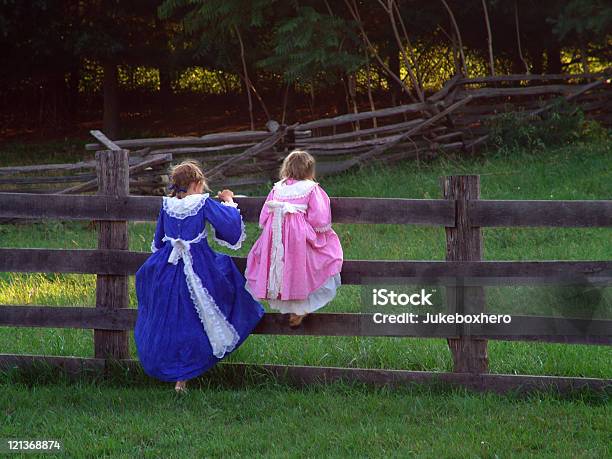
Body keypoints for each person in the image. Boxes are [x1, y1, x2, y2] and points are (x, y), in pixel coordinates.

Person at [135, 160, 264, 392]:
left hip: (167, 267)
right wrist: (229, 202)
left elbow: (158, 240)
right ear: (196, 183)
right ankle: (184, 374)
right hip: (199, 266)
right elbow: (229, 227)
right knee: (212, 304)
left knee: (175, 320)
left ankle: (177, 373)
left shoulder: (167, 205)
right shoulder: (202, 203)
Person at [246, 150, 343, 328]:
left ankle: (294, 306)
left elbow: (264, 217)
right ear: (309, 170)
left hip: (275, 234)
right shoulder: (311, 188)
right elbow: (320, 219)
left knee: (282, 266)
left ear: (286, 168)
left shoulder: (278, 188)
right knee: (302, 264)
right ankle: (300, 307)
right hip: (297, 237)